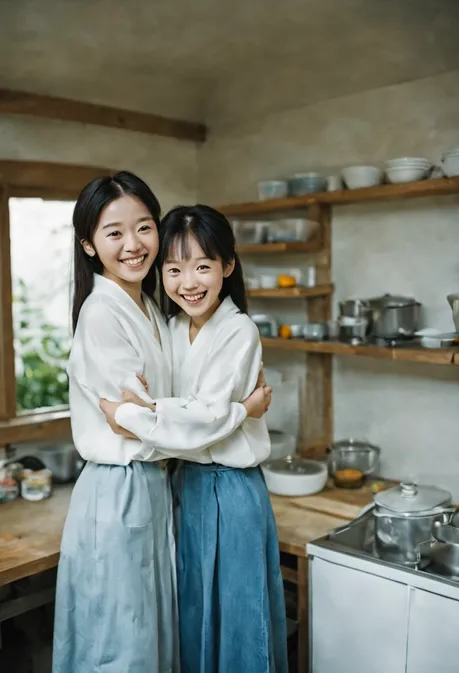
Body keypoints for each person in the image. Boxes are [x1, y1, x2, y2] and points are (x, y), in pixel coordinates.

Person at [52, 175, 269, 673]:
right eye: (113, 233)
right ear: (88, 245)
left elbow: (152, 416)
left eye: (144, 227)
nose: (133, 245)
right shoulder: (102, 314)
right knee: (121, 642)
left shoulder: (152, 308)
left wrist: (146, 416)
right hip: (120, 489)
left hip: (156, 486)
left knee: (153, 638)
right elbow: (138, 424)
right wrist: (241, 411)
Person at [100, 204, 288, 673]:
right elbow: (186, 418)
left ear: (228, 266)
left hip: (231, 490)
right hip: (185, 487)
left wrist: (139, 416)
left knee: (239, 621)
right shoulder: (170, 328)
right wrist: (231, 411)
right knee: (193, 617)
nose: (189, 282)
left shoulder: (239, 330)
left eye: (203, 266)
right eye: (174, 268)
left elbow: (202, 418)